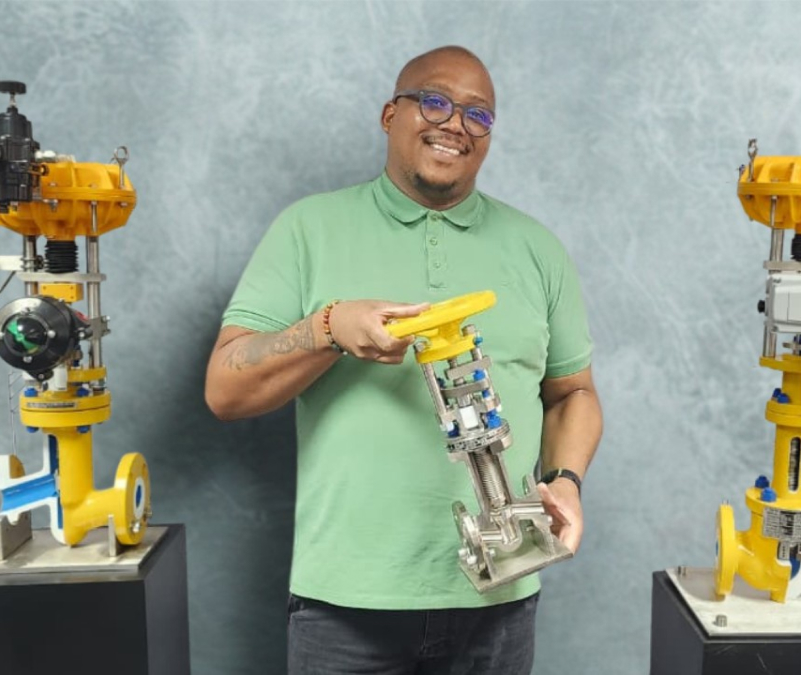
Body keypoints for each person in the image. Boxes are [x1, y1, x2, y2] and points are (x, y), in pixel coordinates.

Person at [205, 45, 603, 674]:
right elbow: (225, 391)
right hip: (346, 606)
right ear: (391, 114)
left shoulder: (538, 249)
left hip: (499, 603)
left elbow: (573, 394)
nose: (456, 125)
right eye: (435, 102)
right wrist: (329, 328)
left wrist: (566, 482)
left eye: (478, 114)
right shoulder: (308, 229)